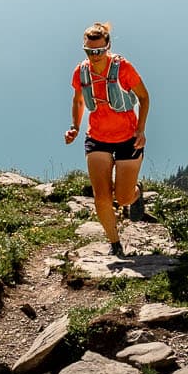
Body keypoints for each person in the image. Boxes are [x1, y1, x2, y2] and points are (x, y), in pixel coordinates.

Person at [63, 20, 151, 255]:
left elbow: (144, 98)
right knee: (101, 197)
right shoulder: (81, 72)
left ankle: (136, 193)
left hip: (127, 138)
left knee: (122, 198)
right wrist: (74, 127)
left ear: (108, 46)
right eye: (90, 51)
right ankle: (115, 244)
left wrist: (141, 130)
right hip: (97, 139)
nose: (95, 55)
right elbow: (79, 100)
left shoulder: (123, 68)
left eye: (99, 50)